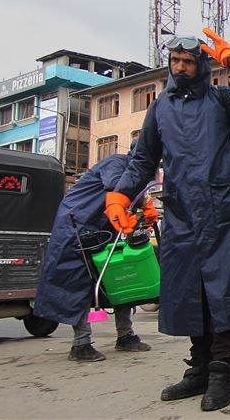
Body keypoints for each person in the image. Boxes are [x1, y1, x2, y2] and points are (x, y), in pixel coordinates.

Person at [105, 29, 230, 411]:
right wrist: (119, 194)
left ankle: (222, 372)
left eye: (188, 61)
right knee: (191, 294)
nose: (181, 67)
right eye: (175, 61)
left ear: (201, 65)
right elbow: (143, 159)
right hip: (183, 214)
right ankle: (199, 369)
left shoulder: (221, 99)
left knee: (225, 294)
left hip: (227, 212)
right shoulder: (160, 108)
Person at [34, 146, 157, 362]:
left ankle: (125, 336)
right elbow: (116, 185)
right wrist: (144, 201)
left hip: (104, 227)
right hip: (77, 226)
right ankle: (80, 344)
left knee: (121, 278)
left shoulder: (136, 174)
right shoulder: (116, 163)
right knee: (77, 283)